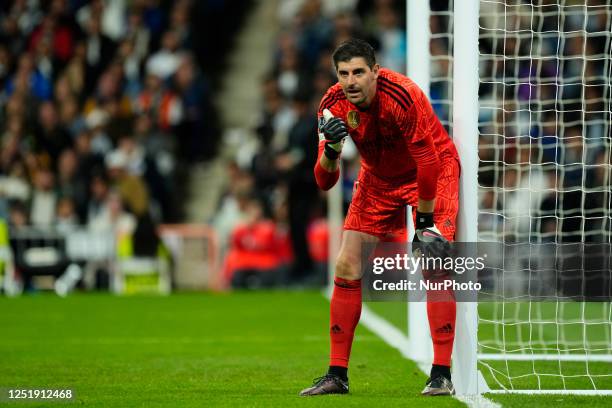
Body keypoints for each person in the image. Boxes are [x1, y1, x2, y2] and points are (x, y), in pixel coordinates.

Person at [299, 39, 460, 397]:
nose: (351, 81)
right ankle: (337, 375)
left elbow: (429, 161)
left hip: (431, 171)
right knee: (345, 265)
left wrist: (424, 224)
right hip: (377, 178)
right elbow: (324, 181)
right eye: (344, 74)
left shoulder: (402, 95)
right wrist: (332, 150)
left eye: (359, 72)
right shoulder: (331, 106)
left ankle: (441, 373)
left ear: (375, 71)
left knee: (433, 260)